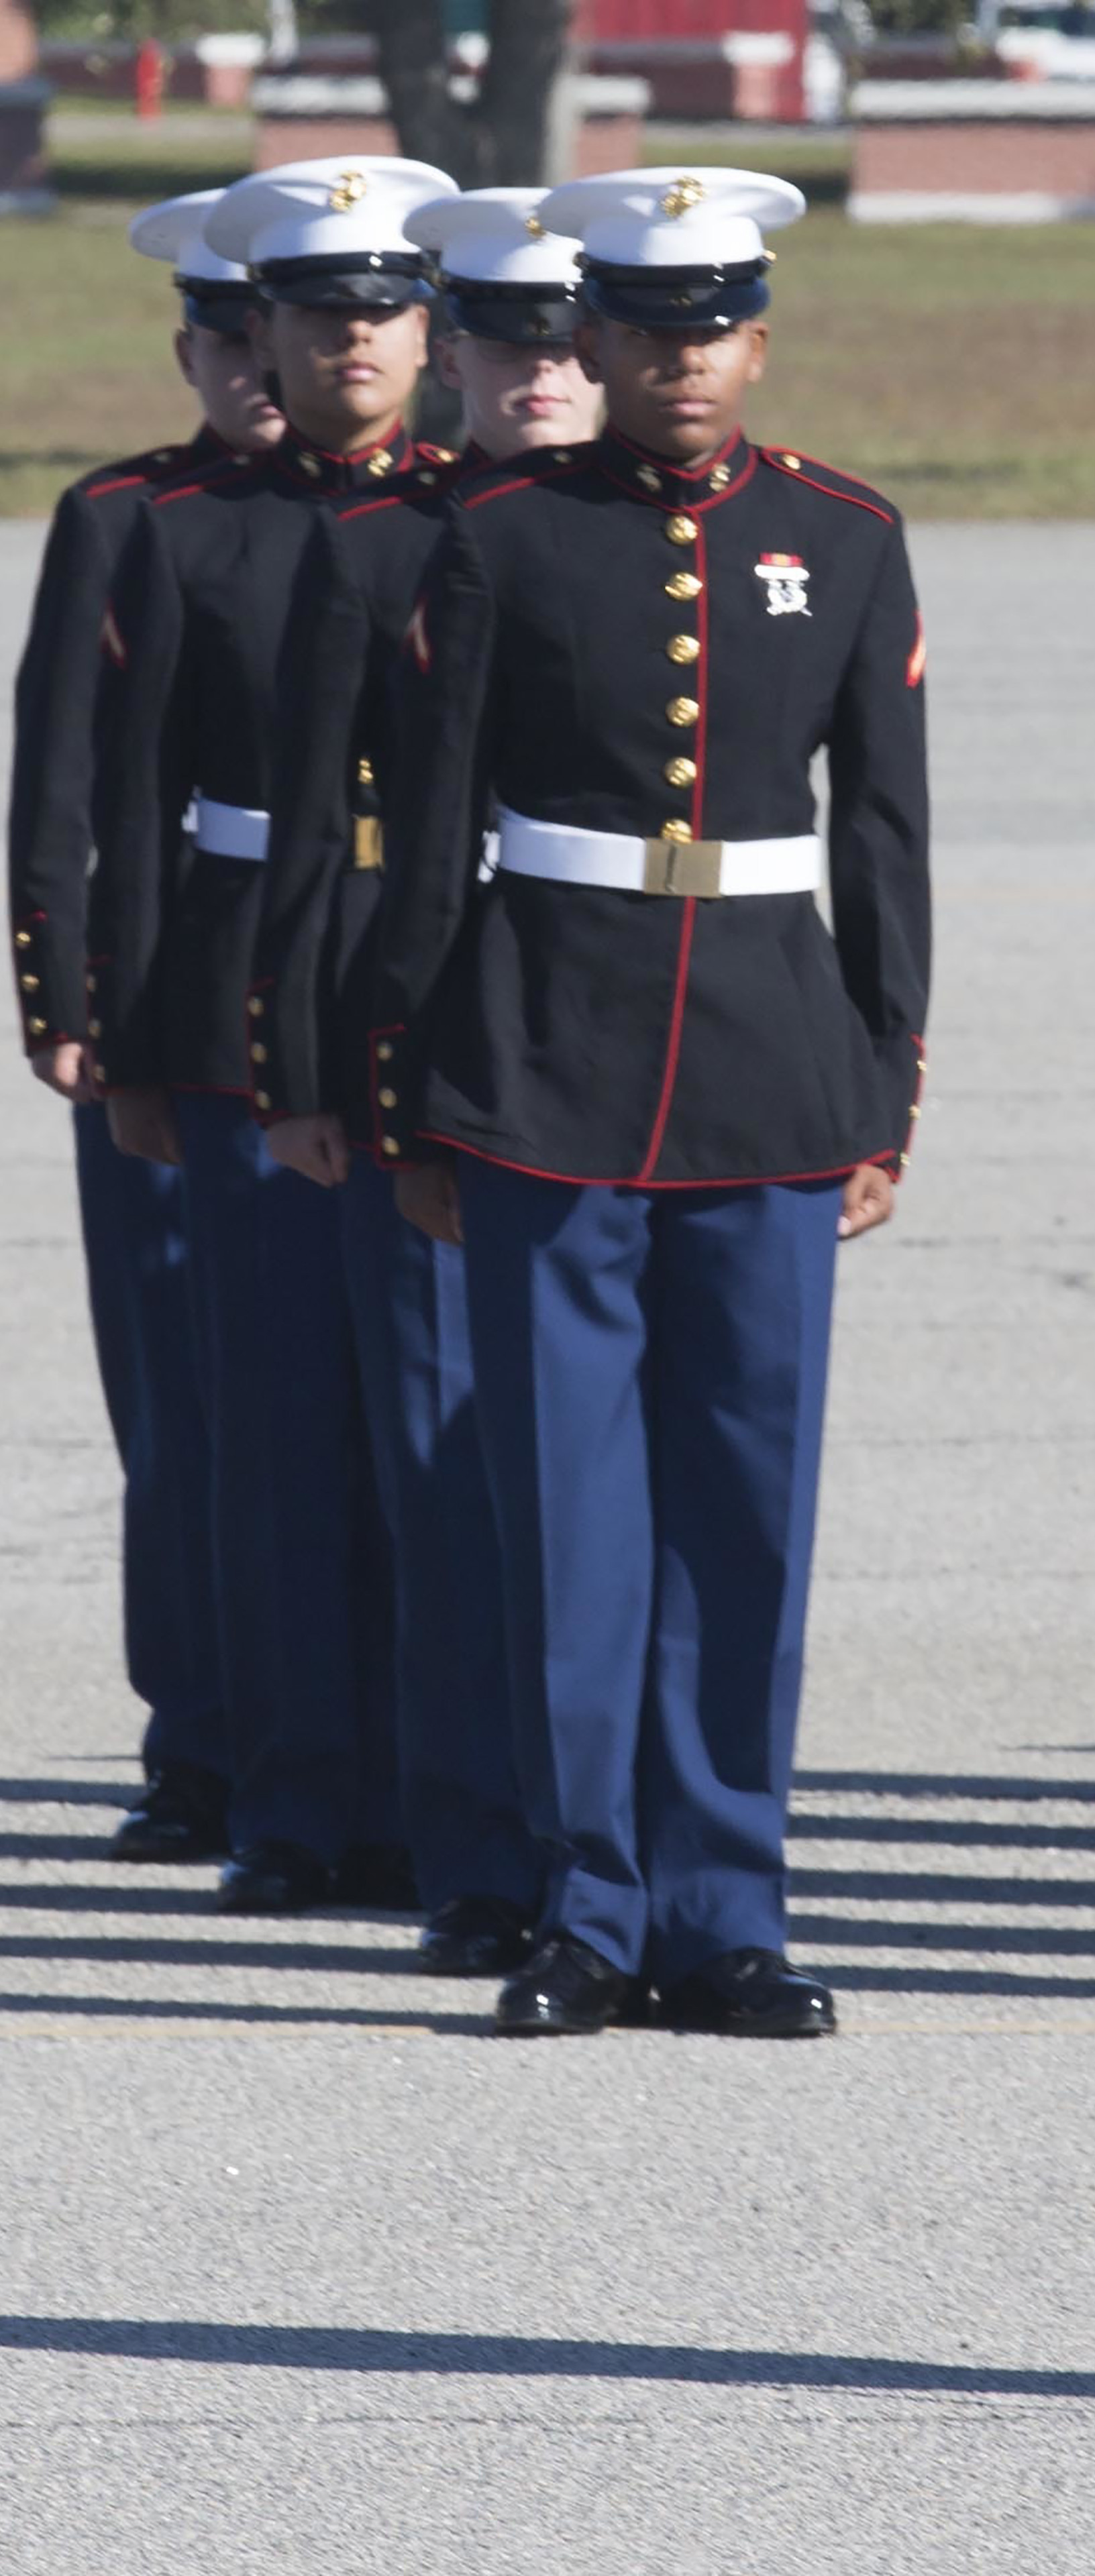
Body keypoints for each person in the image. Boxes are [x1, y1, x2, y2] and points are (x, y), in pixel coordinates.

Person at [362, 166, 929, 2039]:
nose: (683, 362)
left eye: (717, 331)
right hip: (545, 1064)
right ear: (587, 340)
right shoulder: (500, 532)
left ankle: (727, 1910)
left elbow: (887, 836)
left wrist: (887, 1078)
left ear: (758, 343)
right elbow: (428, 831)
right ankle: (588, 1906)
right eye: (647, 329)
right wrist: (414, 1097)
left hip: (774, 1073)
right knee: (572, 1514)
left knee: (747, 1512)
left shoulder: (843, 536)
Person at [89, 156, 456, 1919]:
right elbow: (116, 794)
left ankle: (429, 1779)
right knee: (265, 1428)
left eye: (373, 312)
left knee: (434, 1431)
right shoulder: (175, 527)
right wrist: (114, 1032)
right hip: (237, 998)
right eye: (295, 322)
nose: (325, 350)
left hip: (436, 1000)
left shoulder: (484, 517)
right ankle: (290, 1789)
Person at [242, 184, 601, 1978]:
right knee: (452, 1473)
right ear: (451, 349)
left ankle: (608, 1846)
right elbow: (319, 838)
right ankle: (478, 1847)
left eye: (566, 334)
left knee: (603, 1494)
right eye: (506, 338)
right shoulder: (378, 545)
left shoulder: (652, 543)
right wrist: (304, 1068)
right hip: (422, 1054)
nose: (539, 369)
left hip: (622, 1069)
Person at [10, 191, 278, 1870]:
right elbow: (56, 783)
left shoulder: (431, 510)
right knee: (180, 1397)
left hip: (362, 1024)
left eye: (283, 334)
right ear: (184, 347)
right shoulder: (128, 512)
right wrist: (68, 1003)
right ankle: (198, 1736)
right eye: (225, 338)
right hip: (171, 1014)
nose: (257, 366)